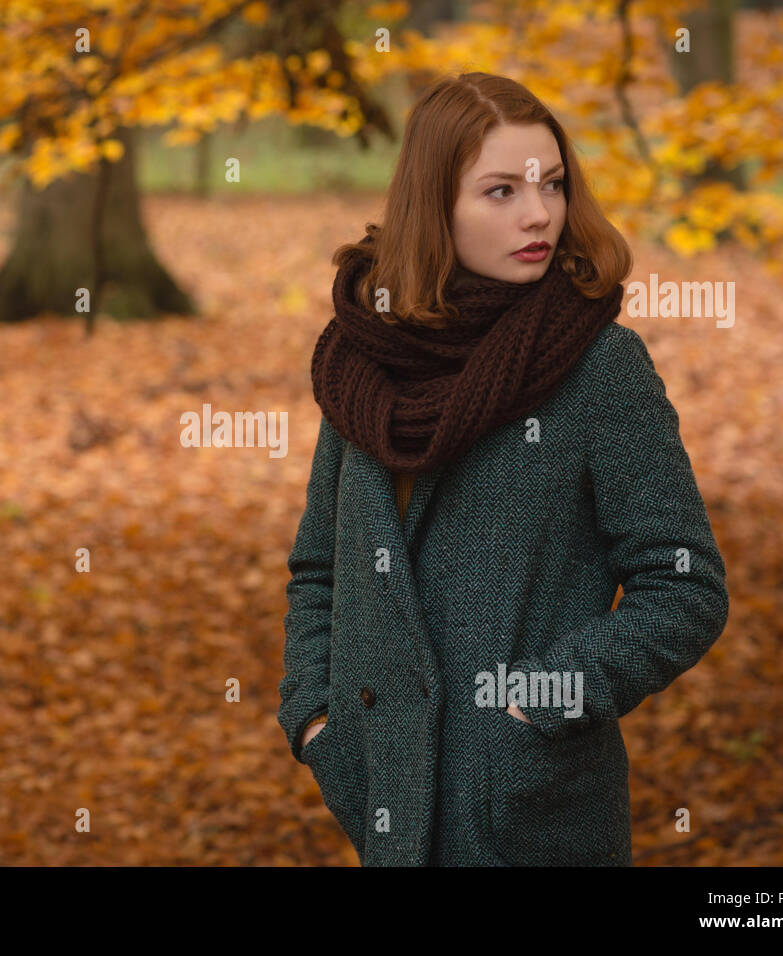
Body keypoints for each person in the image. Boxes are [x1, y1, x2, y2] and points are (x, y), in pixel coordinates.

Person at [279, 71, 728, 866]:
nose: (539, 214)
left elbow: (683, 583)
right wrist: (316, 718)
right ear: (434, 205)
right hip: (387, 804)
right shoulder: (362, 359)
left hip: (535, 817)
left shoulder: (598, 366)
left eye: (552, 184)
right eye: (501, 191)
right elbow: (322, 569)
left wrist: (541, 704)